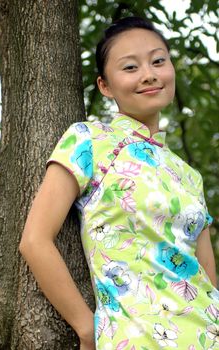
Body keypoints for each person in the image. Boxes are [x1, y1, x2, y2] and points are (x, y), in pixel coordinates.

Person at [19, 16, 219, 350]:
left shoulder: (188, 174)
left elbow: (207, 276)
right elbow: (34, 240)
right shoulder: (89, 140)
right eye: (130, 67)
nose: (149, 74)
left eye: (158, 61)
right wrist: (86, 327)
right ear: (105, 86)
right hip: (135, 338)